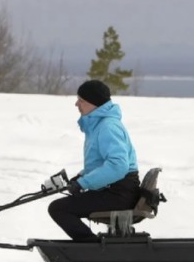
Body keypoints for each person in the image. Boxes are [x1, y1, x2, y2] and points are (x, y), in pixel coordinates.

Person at [48, 80, 141, 242]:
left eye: (81, 100)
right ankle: (93, 248)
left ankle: (91, 248)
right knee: (60, 207)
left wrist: (84, 183)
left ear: (94, 103)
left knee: (58, 208)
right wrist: (80, 178)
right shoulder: (99, 125)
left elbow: (118, 166)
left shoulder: (108, 127)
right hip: (115, 190)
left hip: (119, 193)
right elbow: (101, 163)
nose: (76, 104)